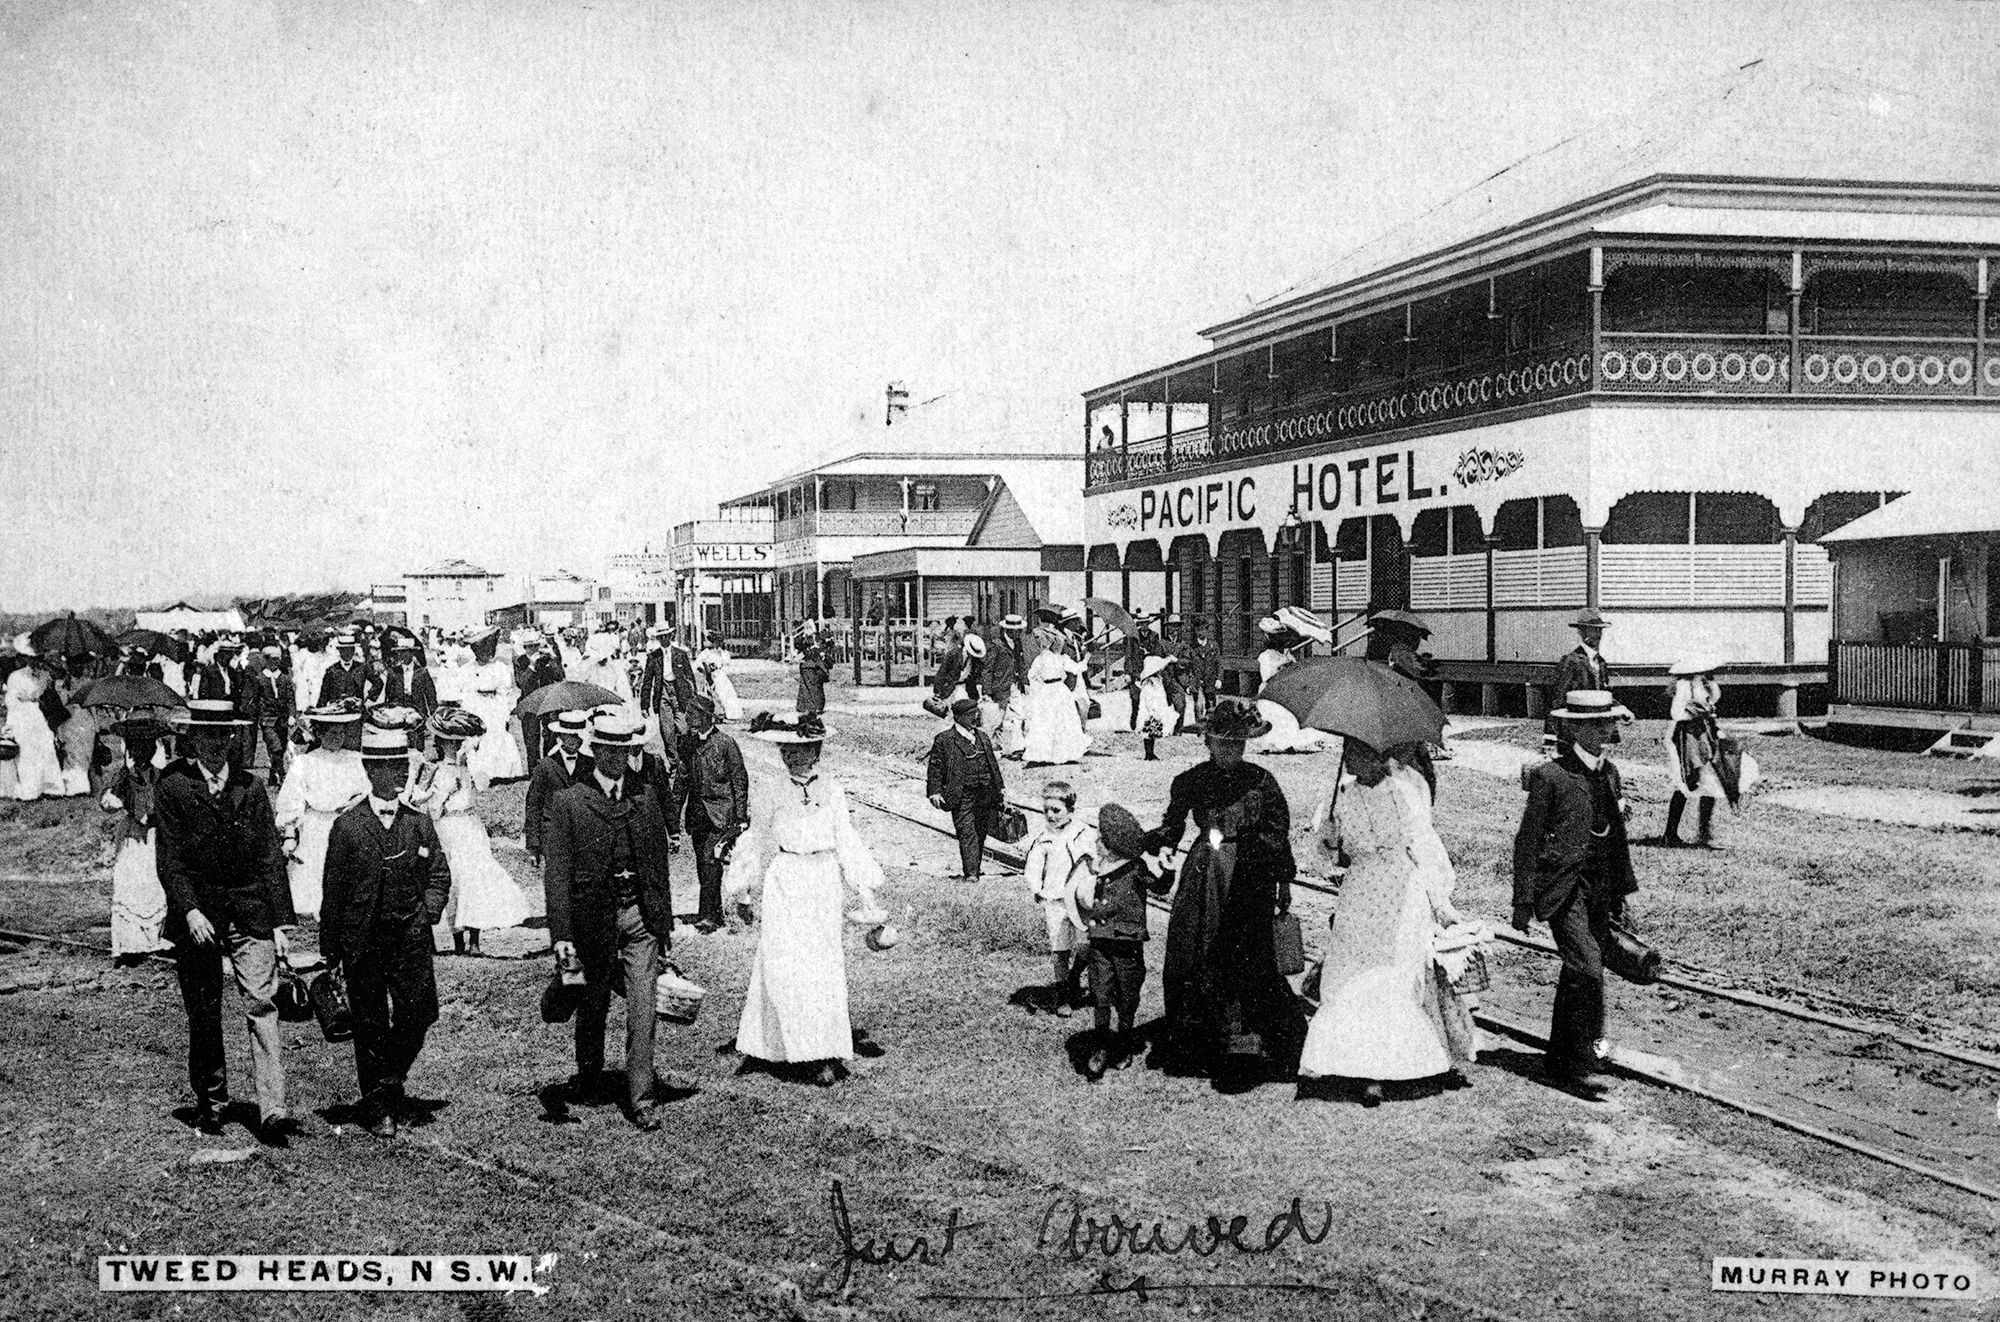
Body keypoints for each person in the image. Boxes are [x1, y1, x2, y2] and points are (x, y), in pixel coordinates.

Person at [1299, 738, 1473, 1106]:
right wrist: (1328, 840)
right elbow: (1325, 860)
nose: (1348, 758)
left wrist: (1440, 903)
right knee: (1352, 974)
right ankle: (1353, 1064)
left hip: (1400, 894)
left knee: (1394, 976)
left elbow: (1424, 848)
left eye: (1357, 752)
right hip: (1359, 894)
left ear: (1379, 757)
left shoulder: (1405, 792)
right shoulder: (1340, 797)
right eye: (1346, 751)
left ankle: (1391, 1067)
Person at [154, 700, 297, 1146]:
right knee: (204, 1009)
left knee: (262, 1003)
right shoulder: (173, 786)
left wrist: (278, 924)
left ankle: (273, 1109)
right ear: (193, 740)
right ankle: (212, 1100)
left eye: (224, 736)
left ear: (233, 739)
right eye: (207, 736)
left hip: (248, 912)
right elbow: (170, 860)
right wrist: (190, 910)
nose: (216, 744)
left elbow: (269, 857)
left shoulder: (249, 788)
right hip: (199, 915)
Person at [1146, 699, 1307, 1089]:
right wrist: (1158, 846)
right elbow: (1172, 826)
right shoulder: (1191, 780)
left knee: (1249, 953)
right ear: (1207, 743)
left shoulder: (1262, 781)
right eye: (1221, 743)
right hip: (1206, 871)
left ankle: (1249, 1045)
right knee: (1197, 948)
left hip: (1250, 874)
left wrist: (1282, 881)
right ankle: (1198, 1043)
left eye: (1236, 744)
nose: (1229, 752)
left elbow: (1277, 832)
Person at [723, 711, 884, 1088]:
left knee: (821, 967)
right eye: (786, 749)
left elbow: (846, 839)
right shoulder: (770, 789)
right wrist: (745, 891)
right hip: (786, 878)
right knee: (782, 963)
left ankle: (819, 1053)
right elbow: (757, 840)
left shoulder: (832, 789)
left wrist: (865, 891)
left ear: (817, 750)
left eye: (801, 750)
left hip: (822, 881)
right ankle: (772, 1047)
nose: (791, 756)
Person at [544, 710, 677, 1130]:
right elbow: (558, 873)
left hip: (639, 918)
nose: (617, 760)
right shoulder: (569, 801)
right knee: (593, 999)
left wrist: (663, 924)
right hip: (591, 918)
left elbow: (658, 866)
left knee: (643, 1007)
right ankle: (589, 1076)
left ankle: (642, 1097)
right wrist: (562, 934)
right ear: (594, 750)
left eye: (624, 752)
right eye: (608, 751)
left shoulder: (645, 797)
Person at [317, 723, 451, 1137]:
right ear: (370, 770)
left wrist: (427, 911)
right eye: (389, 768)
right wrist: (332, 949)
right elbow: (333, 891)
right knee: (370, 1021)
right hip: (364, 939)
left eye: (402, 768)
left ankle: (389, 1077)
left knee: (420, 1012)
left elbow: (439, 875)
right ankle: (378, 1107)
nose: (398, 776)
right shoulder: (348, 826)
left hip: (410, 935)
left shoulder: (417, 822)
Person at [1513, 690, 1638, 1101]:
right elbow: (1527, 841)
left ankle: (1561, 1058)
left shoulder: (1611, 773)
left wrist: (1621, 891)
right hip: (1563, 889)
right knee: (1586, 967)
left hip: (1600, 889)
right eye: (1602, 723)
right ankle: (1583, 1058)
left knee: (1577, 969)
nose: (1610, 730)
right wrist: (1522, 902)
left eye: (1611, 722)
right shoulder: (1551, 778)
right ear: (1577, 728)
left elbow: (1614, 838)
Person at [415, 707, 532, 957]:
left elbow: (476, 788)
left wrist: (467, 762)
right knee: (457, 880)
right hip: (455, 826)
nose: (455, 747)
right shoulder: (444, 771)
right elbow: (434, 808)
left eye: (456, 742)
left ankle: (471, 939)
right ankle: (463, 941)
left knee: (471, 880)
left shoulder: (463, 768)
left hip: (464, 826)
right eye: (452, 743)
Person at [1076, 803, 1156, 1081]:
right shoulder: (1096, 868)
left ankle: (1122, 1044)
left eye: (1100, 839)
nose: (1096, 843)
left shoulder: (1135, 869)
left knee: (1127, 994)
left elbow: (1159, 887)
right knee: (1100, 992)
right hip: (1100, 941)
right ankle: (1099, 1046)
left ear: (1111, 845)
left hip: (1127, 944)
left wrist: (1168, 870)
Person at [272, 702, 369, 921]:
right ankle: (320, 908)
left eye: (341, 733)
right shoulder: (306, 762)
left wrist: (355, 803)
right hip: (317, 822)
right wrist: (290, 836)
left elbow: (367, 790)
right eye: (332, 733)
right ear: (320, 734)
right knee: (318, 864)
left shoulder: (354, 759)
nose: (337, 737)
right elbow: (291, 801)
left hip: (347, 821)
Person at [670, 695, 750, 932]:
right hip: (697, 817)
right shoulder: (687, 744)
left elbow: (739, 780)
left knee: (709, 861)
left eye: (693, 715)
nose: (688, 719)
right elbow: (681, 781)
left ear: (706, 717)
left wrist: (741, 817)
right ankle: (713, 912)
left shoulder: (726, 744)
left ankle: (709, 916)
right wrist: (672, 817)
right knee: (703, 865)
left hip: (721, 815)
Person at [102, 718, 174, 962]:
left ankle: (155, 937)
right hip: (133, 836)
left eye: (146, 748)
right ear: (131, 751)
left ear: (153, 750)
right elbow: (106, 802)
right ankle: (131, 941)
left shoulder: (161, 776)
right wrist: (118, 799)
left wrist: (156, 813)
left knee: (155, 881)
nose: (141, 754)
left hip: (154, 834)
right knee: (131, 880)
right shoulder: (123, 776)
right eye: (136, 749)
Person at [1021, 780, 1094, 1017]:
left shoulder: (1084, 832)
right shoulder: (1044, 838)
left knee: (1087, 945)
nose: (1050, 816)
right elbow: (1032, 867)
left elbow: (1096, 860)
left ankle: (1075, 977)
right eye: (1046, 811)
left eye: (1056, 810)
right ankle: (1063, 995)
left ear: (1070, 810)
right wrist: (1038, 889)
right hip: (1056, 900)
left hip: (1082, 900)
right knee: (1060, 948)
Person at [927, 697, 1005, 883]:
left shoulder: (982, 737)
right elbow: (935, 768)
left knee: (980, 831)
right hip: (961, 795)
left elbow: (993, 765)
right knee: (966, 831)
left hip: (985, 793)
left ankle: (974, 869)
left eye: (976, 713)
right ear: (959, 717)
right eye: (971, 715)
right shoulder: (945, 740)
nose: (975, 717)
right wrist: (934, 792)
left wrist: (1000, 790)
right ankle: (971, 874)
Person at [1249, 608, 1340, 754]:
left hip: (1284, 689)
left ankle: (1287, 742)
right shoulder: (1266, 656)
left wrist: (1290, 665)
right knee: (1272, 717)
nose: (1282, 643)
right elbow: (1267, 676)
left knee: (1288, 718)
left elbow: (1293, 668)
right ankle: (1268, 744)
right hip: (1270, 690)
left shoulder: (1286, 654)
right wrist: (1281, 667)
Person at [524, 710, 592, 868]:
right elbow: (533, 805)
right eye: (569, 735)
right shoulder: (545, 766)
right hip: (553, 834)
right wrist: (533, 846)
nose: (574, 740)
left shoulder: (589, 764)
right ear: (559, 736)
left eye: (577, 735)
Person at [463, 628, 526, 789]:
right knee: (477, 738)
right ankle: (479, 773)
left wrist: (504, 713)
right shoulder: (467, 668)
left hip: (494, 707)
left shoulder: (500, 667)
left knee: (496, 736)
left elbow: (504, 693)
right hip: (476, 705)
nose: (482, 653)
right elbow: (466, 692)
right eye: (477, 649)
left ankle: (499, 772)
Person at [1544, 609, 1613, 751]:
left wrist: (1621, 709)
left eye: (1600, 631)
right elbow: (1557, 699)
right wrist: (1550, 737)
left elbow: (1603, 694)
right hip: (1576, 729)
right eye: (1593, 630)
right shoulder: (1571, 661)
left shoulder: (1600, 663)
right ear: (1582, 632)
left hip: (1597, 728)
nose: (1598, 635)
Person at [1022, 636, 1091, 767]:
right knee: (1062, 721)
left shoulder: (1041, 659)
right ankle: (1064, 753)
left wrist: (1039, 688)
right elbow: (1077, 668)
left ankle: (1044, 754)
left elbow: (1032, 675)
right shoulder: (1059, 659)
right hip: (1058, 690)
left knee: (1048, 722)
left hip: (1049, 690)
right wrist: (1087, 658)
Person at [250, 647, 295, 790]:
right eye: (272, 659)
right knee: (275, 747)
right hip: (267, 719)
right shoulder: (259, 679)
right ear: (265, 660)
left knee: (279, 749)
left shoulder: (285, 679)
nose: (275, 662)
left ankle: (272, 774)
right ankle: (282, 775)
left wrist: (292, 715)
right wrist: (257, 718)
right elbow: (255, 700)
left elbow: (290, 699)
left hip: (282, 720)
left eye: (277, 659)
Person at [989, 616, 1029, 755]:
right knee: (998, 718)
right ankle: (994, 746)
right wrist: (987, 691)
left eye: (1019, 630)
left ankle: (1017, 747)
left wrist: (1025, 682)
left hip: (1015, 684)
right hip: (1000, 685)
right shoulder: (997, 645)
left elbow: (1021, 663)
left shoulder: (1018, 644)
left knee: (1019, 715)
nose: (1018, 633)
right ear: (1007, 630)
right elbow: (988, 669)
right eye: (1015, 630)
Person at [381, 632, 439, 720]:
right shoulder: (393, 672)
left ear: (412, 653)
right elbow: (388, 695)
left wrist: (433, 717)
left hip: (417, 712)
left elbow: (431, 698)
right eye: (399, 652)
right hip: (397, 712)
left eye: (403, 651)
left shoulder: (422, 672)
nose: (400, 655)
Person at [1123, 613, 1165, 730]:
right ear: (1139, 624)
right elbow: (1128, 656)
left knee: (1150, 699)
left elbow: (1158, 654)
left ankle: (1150, 724)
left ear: (1148, 623)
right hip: (1136, 672)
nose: (1144, 625)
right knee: (1135, 698)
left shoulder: (1154, 636)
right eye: (1141, 623)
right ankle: (1134, 718)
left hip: (1149, 672)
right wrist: (1128, 673)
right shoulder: (1133, 637)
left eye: (1146, 623)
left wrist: (1149, 656)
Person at [1134, 655, 1180, 760]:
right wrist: (1153, 711)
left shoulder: (1156, 680)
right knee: (1148, 730)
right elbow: (1149, 699)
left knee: (1152, 731)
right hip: (1150, 711)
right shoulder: (1150, 683)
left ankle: (1150, 753)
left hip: (1154, 710)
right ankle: (1148, 754)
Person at [317, 633, 372, 708]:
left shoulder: (362, 667)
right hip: (336, 714)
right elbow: (323, 696)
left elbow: (378, 683)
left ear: (354, 650)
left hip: (357, 712)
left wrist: (367, 700)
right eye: (344, 650)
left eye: (350, 649)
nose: (347, 653)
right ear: (339, 651)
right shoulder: (331, 670)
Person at [696, 639, 744, 723]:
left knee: (727, 693)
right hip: (711, 676)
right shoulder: (705, 653)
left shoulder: (721, 652)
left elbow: (725, 664)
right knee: (716, 694)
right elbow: (697, 666)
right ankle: (718, 714)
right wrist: (706, 671)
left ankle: (730, 713)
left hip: (720, 675)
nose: (715, 644)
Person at [796, 629, 830, 716]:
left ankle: (814, 707)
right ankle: (808, 707)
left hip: (814, 668)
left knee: (814, 687)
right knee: (810, 688)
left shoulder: (818, 648)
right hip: (810, 667)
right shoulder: (810, 645)